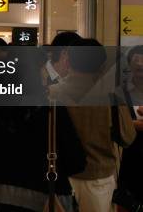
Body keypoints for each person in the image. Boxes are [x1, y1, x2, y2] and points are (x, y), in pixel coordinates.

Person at [0, 48, 87, 212]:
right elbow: (76, 163)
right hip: (46, 199)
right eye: (42, 69)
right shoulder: (53, 111)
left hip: (4, 199)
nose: (44, 74)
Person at [53, 39, 136, 212]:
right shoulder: (111, 98)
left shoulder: (51, 95)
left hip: (59, 176)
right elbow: (127, 138)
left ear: (69, 61)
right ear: (101, 65)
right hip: (99, 179)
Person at [117, 45, 143, 206]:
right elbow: (113, 123)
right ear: (129, 64)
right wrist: (132, 125)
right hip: (130, 159)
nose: (140, 64)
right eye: (136, 60)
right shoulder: (119, 92)